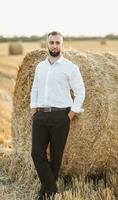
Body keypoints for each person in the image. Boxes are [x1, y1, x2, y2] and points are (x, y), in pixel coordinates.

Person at [30, 31, 85, 200]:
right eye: (51, 42)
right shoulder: (40, 66)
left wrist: (72, 113)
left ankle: (46, 192)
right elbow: (35, 89)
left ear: (62, 44)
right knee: (36, 153)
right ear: (47, 44)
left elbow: (80, 91)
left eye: (57, 43)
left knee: (56, 156)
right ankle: (51, 189)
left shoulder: (70, 67)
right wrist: (33, 108)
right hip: (41, 116)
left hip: (61, 117)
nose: (54, 45)